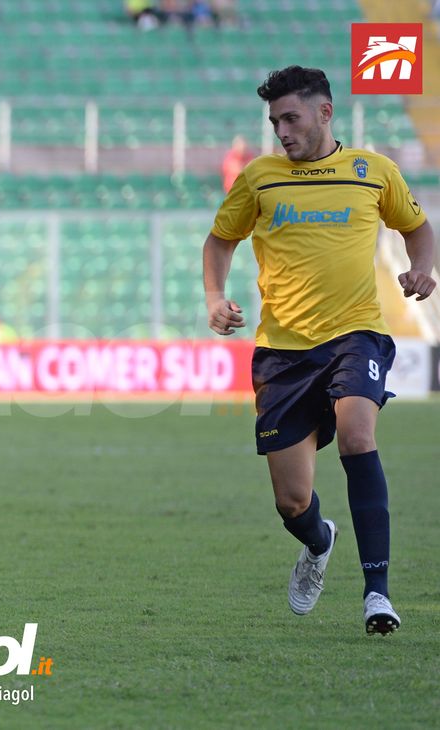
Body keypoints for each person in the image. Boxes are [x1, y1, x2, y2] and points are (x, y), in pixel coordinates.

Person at [202, 66, 436, 635]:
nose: (282, 131)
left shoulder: (372, 171)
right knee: (291, 502)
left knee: (358, 434)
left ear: (325, 113)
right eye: (274, 122)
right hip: (282, 354)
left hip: (356, 334)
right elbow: (220, 240)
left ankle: (377, 594)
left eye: (291, 118)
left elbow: (417, 227)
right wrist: (214, 297)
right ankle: (318, 539)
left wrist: (422, 267)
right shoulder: (260, 178)